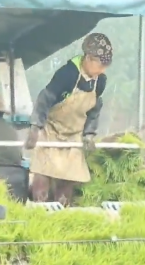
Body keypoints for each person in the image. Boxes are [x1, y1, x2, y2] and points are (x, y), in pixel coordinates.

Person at [24, 32, 112, 205]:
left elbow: (94, 109)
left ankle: (63, 212)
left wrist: (89, 134)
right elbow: (45, 98)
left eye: (105, 67)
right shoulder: (68, 74)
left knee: (68, 180)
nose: (101, 71)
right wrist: (35, 127)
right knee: (42, 176)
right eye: (99, 65)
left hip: (73, 134)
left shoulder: (99, 81)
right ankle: (39, 209)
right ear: (88, 58)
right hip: (51, 130)